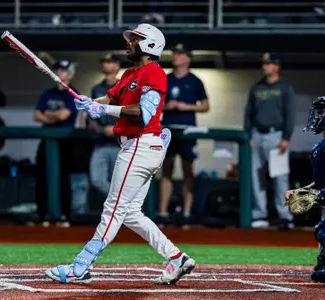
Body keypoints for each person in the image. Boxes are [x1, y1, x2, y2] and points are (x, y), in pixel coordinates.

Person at [45, 23, 195, 284]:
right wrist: (91, 103)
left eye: (134, 40)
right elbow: (112, 100)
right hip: (136, 146)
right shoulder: (129, 74)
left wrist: (105, 111)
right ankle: (176, 257)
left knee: (113, 208)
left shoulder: (155, 73)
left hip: (140, 144)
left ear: (149, 45)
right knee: (131, 212)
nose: (129, 44)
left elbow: (143, 112)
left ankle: (80, 266)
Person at [158, 43, 209, 227]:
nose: (176, 57)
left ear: (187, 58)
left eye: (180, 54)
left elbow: (205, 105)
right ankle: (163, 213)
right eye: (175, 53)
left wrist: (185, 106)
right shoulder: (165, 78)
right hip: (168, 129)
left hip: (187, 130)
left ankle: (186, 212)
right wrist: (167, 106)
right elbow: (153, 103)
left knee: (188, 170)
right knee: (167, 169)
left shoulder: (195, 80)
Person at [244, 52, 296, 229]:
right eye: (264, 63)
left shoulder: (285, 88)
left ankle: (284, 215)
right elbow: (248, 114)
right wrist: (248, 135)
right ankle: (260, 214)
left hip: (276, 136)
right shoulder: (256, 88)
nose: (265, 66)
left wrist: (286, 137)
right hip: (257, 135)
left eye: (268, 63)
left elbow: (290, 115)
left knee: (280, 178)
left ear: (276, 66)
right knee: (257, 177)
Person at [285, 96, 325, 283]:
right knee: (322, 230)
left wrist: (322, 194)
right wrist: (301, 191)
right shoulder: (319, 149)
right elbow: (320, 182)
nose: (319, 116)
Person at [34, 60, 79, 227]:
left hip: (65, 141)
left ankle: (63, 215)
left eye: (64, 70)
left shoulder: (73, 93)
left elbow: (64, 116)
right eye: (58, 70)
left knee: (63, 178)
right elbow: (36, 115)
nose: (60, 73)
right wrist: (53, 115)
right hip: (46, 140)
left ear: (70, 74)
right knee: (42, 176)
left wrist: (47, 114)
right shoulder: (47, 93)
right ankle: (43, 214)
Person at [87, 53, 121, 197]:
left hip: (120, 143)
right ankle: (122, 206)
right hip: (101, 141)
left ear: (117, 66)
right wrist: (93, 123)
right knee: (97, 180)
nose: (105, 64)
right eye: (104, 61)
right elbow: (92, 115)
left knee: (120, 183)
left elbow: (130, 113)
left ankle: (126, 211)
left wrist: (116, 128)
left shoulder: (124, 87)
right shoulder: (97, 88)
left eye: (109, 62)